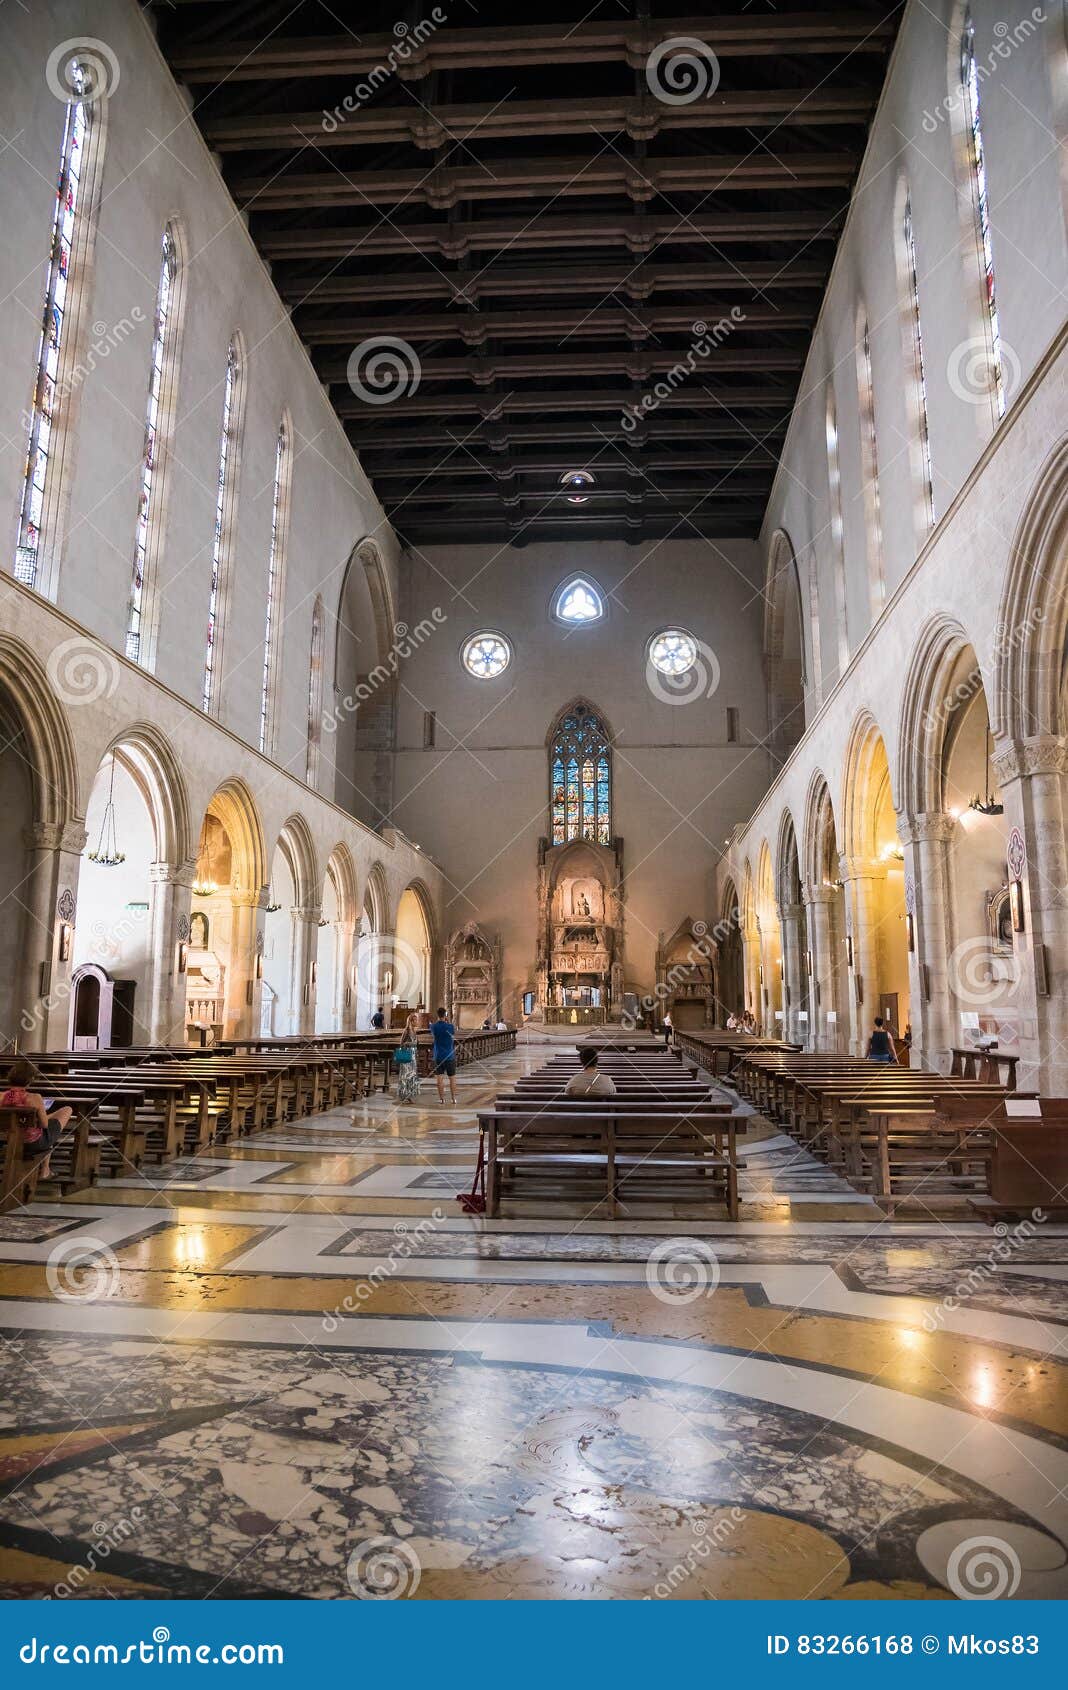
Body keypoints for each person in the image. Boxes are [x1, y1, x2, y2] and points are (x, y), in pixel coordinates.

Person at [0, 1059, 73, 1179]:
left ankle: (46, 1169)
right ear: (30, 1080)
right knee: (66, 1111)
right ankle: (45, 1171)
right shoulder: (35, 1098)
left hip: (10, 1140)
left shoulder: (1, 1096)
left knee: (47, 1127)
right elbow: (44, 1125)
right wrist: (46, 1116)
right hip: (33, 1143)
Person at [429, 1006, 457, 1104]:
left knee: (439, 1079)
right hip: (450, 1055)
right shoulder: (450, 1026)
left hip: (438, 1055)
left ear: (437, 1015)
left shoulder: (433, 1026)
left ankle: (442, 1099)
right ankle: (453, 1099)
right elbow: (452, 1036)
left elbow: (433, 1035)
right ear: (445, 1015)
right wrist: (447, 1022)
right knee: (452, 1078)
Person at [395, 1012, 421, 1103]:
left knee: (412, 1075)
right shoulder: (406, 1030)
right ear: (411, 1021)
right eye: (415, 1020)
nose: (417, 1022)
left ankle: (409, 1095)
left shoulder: (414, 1031)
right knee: (405, 1075)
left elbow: (416, 1043)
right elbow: (401, 1043)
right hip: (407, 1054)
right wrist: (408, 1044)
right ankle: (403, 1094)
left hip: (413, 1055)